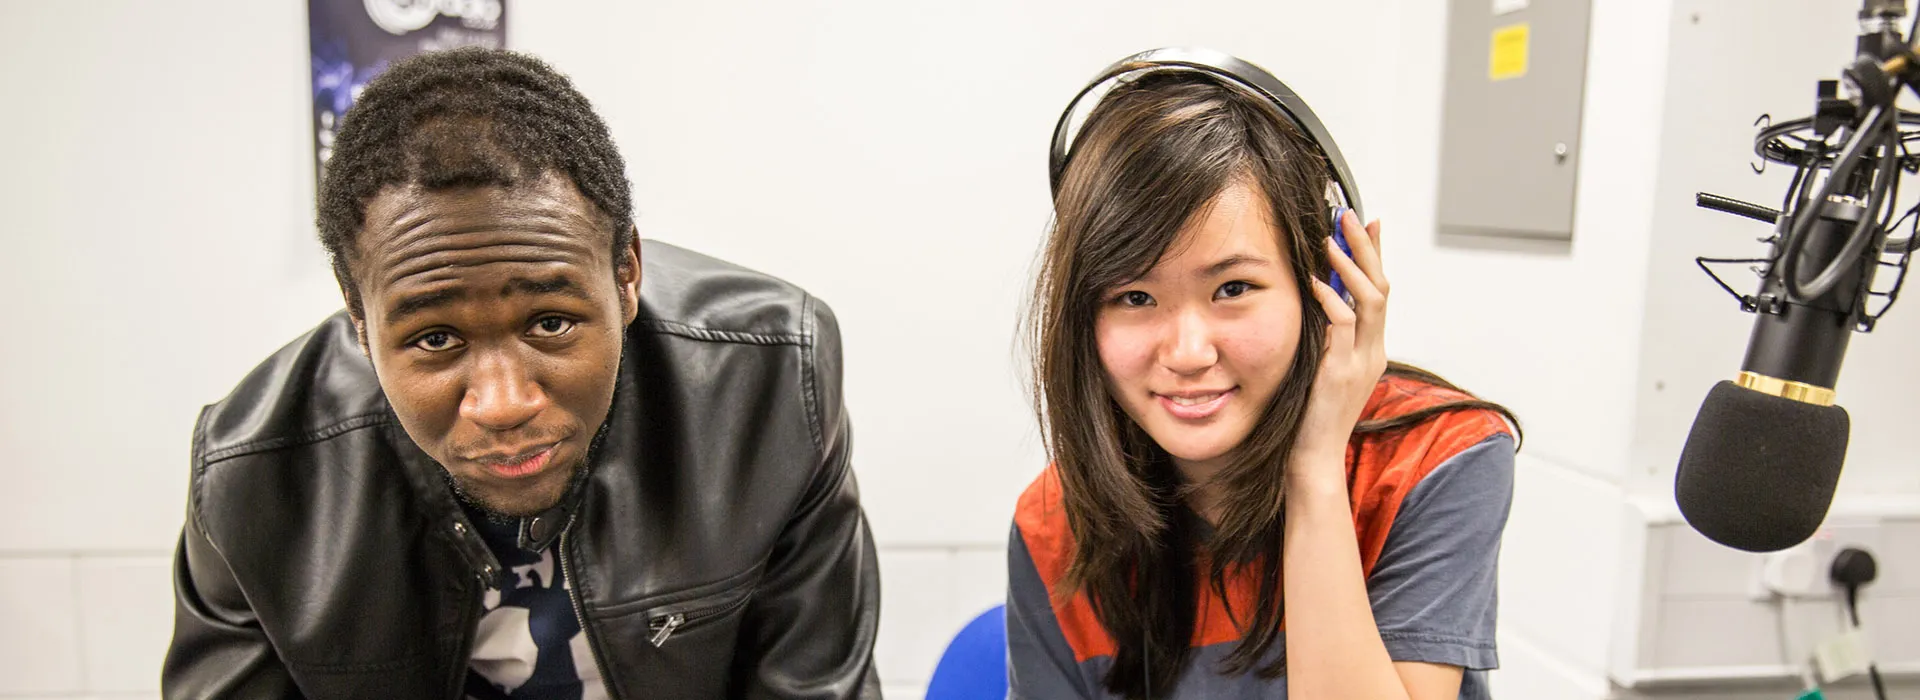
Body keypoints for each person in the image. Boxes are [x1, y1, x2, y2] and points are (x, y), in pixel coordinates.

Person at [163, 47, 881, 700]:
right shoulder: (250, 476)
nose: (503, 404)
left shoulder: (770, 380)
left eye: (551, 323)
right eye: (436, 338)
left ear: (625, 274)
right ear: (359, 316)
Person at [1008, 58, 1520, 699]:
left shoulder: (1434, 459)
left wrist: (1314, 469)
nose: (1188, 352)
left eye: (1233, 287)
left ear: (1332, 283)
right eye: (1134, 297)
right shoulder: (1057, 521)